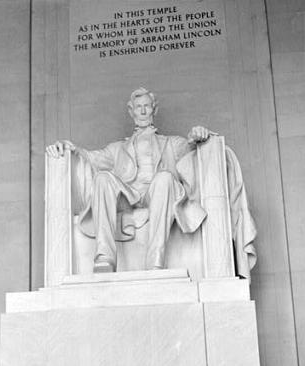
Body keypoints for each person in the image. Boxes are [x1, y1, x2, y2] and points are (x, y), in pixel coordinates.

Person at [46, 87, 210, 273]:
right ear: (131, 111)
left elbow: (192, 153)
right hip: (128, 196)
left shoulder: (172, 143)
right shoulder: (117, 149)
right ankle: (104, 257)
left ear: (154, 109)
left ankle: (155, 259)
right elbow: (91, 158)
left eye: (146, 106)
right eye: (138, 107)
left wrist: (199, 136)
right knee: (102, 178)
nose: (142, 111)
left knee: (165, 178)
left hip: (158, 192)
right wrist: (70, 149)